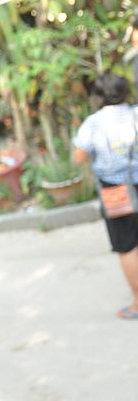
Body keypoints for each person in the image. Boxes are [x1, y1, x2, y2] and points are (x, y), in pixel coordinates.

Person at [72, 73, 138, 320]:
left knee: (128, 245)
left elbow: (79, 157)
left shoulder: (93, 124)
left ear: (97, 96)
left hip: (116, 190)